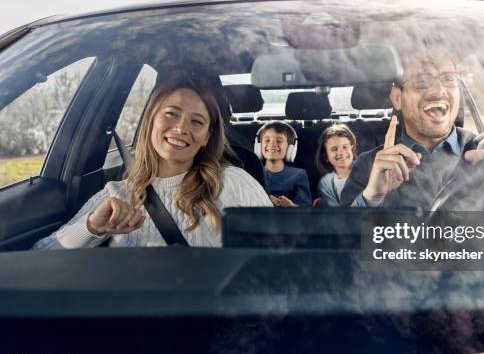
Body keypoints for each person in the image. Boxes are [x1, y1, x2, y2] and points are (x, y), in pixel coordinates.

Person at [33, 77, 272, 249]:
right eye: (171, 113)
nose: (180, 128)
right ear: (151, 120)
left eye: (196, 121)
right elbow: (41, 256)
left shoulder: (233, 182)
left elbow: (278, 257)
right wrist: (92, 227)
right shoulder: (116, 195)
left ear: (206, 137)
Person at [340, 48, 484, 208]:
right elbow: (339, 247)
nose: (438, 90)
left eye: (449, 79)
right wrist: (371, 197)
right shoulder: (369, 166)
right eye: (421, 80)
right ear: (397, 98)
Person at [256, 121, 311, 207]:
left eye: (279, 141)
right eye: (267, 140)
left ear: (290, 149)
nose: (272, 144)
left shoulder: (299, 174)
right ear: (258, 146)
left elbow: (306, 210)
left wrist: (291, 206)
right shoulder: (253, 174)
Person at [315, 124, 358, 206]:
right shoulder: (325, 183)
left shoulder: (366, 171)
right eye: (334, 149)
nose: (341, 153)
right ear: (326, 156)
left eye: (345, 147)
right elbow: (335, 212)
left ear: (352, 149)